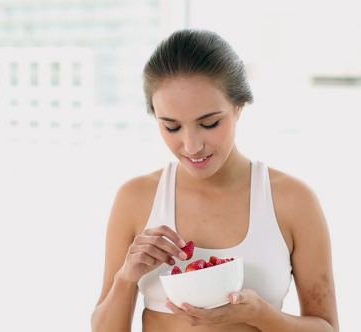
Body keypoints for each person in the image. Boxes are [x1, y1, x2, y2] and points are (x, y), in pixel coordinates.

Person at [91, 28, 339, 332]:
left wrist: (260, 314)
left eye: (209, 123)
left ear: (239, 106)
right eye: (171, 127)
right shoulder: (135, 198)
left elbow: (327, 327)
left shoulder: (293, 200)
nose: (192, 146)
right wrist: (126, 277)